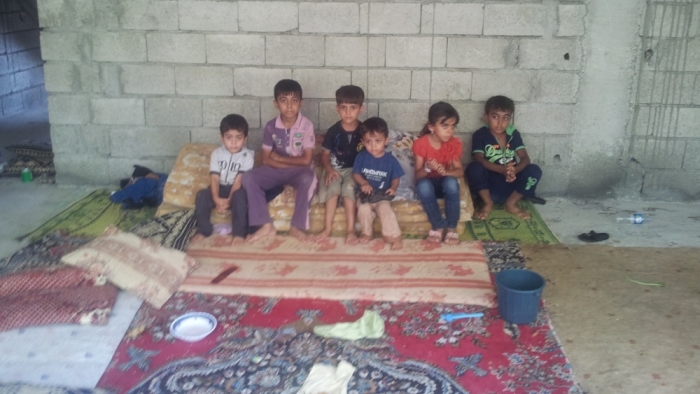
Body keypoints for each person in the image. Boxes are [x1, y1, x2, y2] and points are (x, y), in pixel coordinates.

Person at [242, 79, 317, 242]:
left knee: (309, 178)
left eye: (294, 101)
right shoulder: (270, 127)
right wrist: (279, 162)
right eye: (284, 101)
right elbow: (266, 160)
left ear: (301, 103)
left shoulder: (306, 126)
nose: (289, 106)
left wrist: (279, 158)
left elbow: (306, 161)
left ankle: (296, 227)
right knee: (248, 177)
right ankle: (265, 225)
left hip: (298, 172)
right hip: (275, 170)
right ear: (276, 103)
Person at [464, 95, 542, 220]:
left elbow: (525, 158)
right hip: (489, 187)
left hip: (512, 186)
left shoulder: (513, 134)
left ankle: (511, 203)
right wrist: (501, 170)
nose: (500, 122)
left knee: (534, 170)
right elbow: (479, 158)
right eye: (495, 117)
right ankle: (488, 203)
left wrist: (514, 170)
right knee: (473, 168)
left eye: (505, 118)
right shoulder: (480, 135)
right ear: (486, 117)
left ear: (510, 119)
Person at [193, 114, 255, 245]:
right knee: (202, 196)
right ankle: (204, 230)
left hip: (237, 189)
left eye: (238, 138)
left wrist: (229, 201)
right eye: (229, 138)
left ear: (245, 139)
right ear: (222, 138)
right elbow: (214, 178)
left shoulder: (247, 156)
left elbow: (239, 180)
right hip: (220, 187)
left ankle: (239, 233)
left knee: (240, 198)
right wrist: (216, 198)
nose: (233, 142)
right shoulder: (216, 154)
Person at [314, 85, 365, 245]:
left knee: (348, 191)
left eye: (353, 108)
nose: (348, 112)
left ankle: (351, 230)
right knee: (333, 190)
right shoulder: (333, 131)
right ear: (337, 108)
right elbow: (325, 155)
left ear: (361, 109)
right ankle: (327, 229)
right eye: (343, 108)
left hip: (355, 170)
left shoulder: (364, 130)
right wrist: (329, 170)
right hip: (335, 168)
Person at [413, 102, 463, 245]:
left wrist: (446, 172)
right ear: (431, 127)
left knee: (451, 181)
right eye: (445, 126)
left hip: (444, 185)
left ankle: (452, 226)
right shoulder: (421, 144)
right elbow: (417, 176)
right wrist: (428, 167)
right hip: (428, 187)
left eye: (453, 126)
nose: (450, 131)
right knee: (423, 185)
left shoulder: (452, 143)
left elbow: (460, 171)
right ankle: (438, 225)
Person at [352, 117, 404, 251]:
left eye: (378, 141)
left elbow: (396, 177)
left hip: (381, 196)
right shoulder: (361, 157)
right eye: (369, 142)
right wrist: (363, 183)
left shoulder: (390, 160)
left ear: (386, 140)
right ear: (363, 141)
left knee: (387, 211)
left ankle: (394, 237)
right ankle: (367, 233)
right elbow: (356, 174)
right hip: (365, 195)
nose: (373, 146)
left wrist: (393, 188)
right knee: (363, 209)